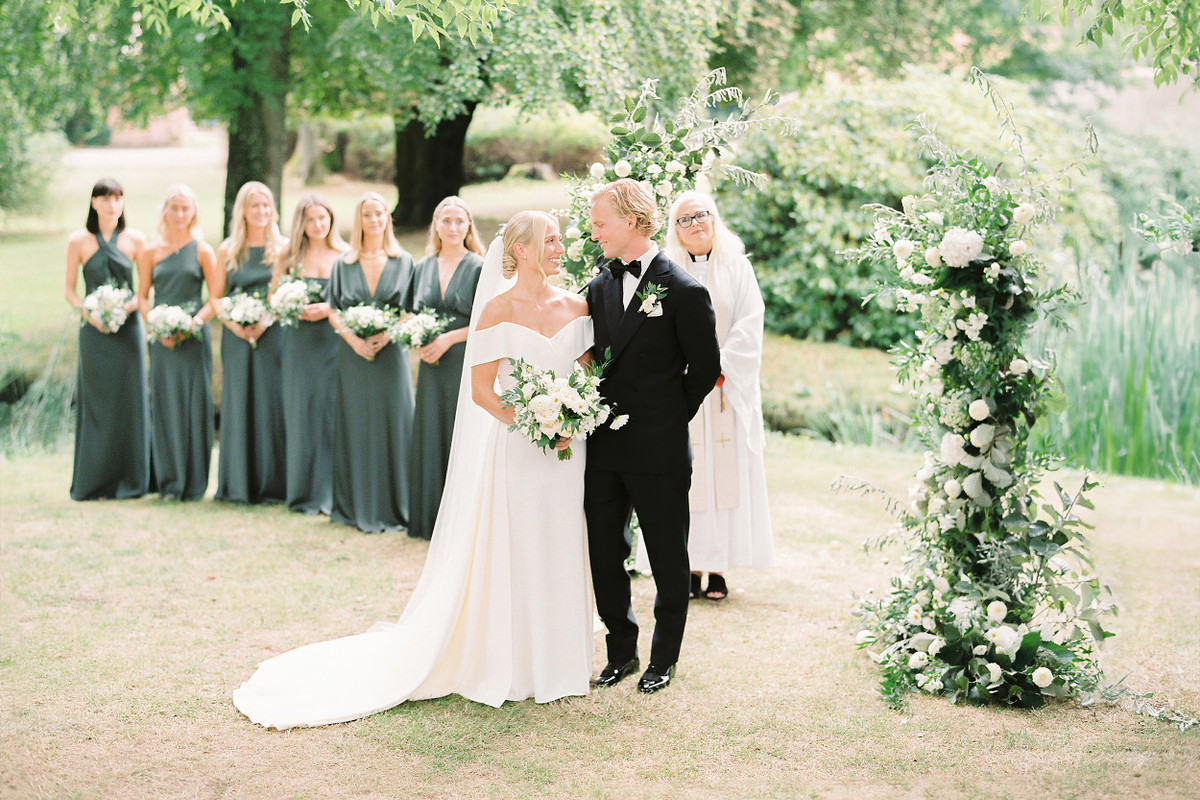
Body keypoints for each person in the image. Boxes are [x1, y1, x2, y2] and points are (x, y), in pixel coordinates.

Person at [232, 211, 594, 728]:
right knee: (516, 545)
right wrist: (533, 422)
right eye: (551, 240)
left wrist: (571, 419)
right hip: (517, 449)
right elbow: (483, 392)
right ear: (521, 249)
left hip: (566, 454)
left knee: (560, 542)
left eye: (560, 240)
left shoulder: (577, 304)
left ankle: (558, 661)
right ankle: (513, 660)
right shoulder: (495, 309)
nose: (560, 248)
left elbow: (586, 377)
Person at [584, 178, 721, 694]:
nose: (594, 233)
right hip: (603, 446)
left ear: (631, 221)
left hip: (660, 447)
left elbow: (704, 369)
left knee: (667, 556)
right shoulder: (597, 286)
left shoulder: (684, 290)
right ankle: (621, 652)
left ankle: (663, 659)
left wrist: (667, 416)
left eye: (600, 223)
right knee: (605, 553)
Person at [633, 191, 775, 599]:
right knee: (687, 479)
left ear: (714, 218)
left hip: (727, 389)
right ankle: (690, 567)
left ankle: (719, 569)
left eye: (702, 215)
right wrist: (690, 371)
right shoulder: (665, 271)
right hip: (685, 389)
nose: (695, 223)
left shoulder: (737, 266)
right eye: (685, 218)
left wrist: (720, 367)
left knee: (726, 478)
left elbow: (751, 321)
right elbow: (655, 327)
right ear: (675, 229)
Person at [326, 192, 416, 533]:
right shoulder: (344, 263)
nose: (374, 219)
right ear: (359, 220)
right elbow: (333, 309)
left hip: (391, 355)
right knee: (357, 424)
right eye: (367, 214)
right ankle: (356, 504)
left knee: (395, 422)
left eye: (380, 213)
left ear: (387, 217)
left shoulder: (404, 261)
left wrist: (388, 334)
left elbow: (411, 309)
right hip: (354, 356)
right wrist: (353, 339)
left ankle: (396, 504)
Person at [64, 178, 151, 501]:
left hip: (128, 330)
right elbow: (69, 290)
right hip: (94, 332)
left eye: (117, 198)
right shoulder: (78, 241)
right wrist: (90, 313)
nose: (112, 205)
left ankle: (133, 479)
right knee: (98, 402)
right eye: (105, 198)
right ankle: (95, 480)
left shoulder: (136, 240)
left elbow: (144, 291)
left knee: (130, 400)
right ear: (94, 203)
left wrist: (123, 309)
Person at [407, 196, 486, 540]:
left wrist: (449, 338)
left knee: (460, 433)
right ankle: (428, 517)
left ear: (468, 226)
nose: (453, 227)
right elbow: (411, 312)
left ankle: (461, 523)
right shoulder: (422, 267)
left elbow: (487, 321)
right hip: (431, 364)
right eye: (446, 221)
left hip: (463, 360)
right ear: (436, 226)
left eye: (459, 221)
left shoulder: (479, 267)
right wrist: (417, 336)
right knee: (431, 432)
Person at [136, 184, 219, 500]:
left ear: (193, 213)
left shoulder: (202, 251)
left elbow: (214, 299)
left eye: (186, 209)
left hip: (193, 340)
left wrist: (191, 324)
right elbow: (142, 298)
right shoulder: (150, 251)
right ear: (165, 211)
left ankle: (195, 482)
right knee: (166, 404)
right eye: (175, 208)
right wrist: (156, 324)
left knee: (194, 405)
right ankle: (168, 481)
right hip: (161, 340)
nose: (180, 214)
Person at [212, 181, 288, 505]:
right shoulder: (228, 250)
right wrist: (235, 324)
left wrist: (263, 321)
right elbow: (216, 298)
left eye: (266, 205)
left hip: (273, 335)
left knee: (270, 403)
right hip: (237, 338)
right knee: (239, 401)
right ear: (242, 211)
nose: (261, 211)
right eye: (254, 205)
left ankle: (273, 484)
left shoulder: (283, 248)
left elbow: (283, 293)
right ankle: (238, 483)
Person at [273, 194, 347, 516]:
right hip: (299, 344)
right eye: (310, 219)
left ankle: (331, 492)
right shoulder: (289, 256)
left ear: (331, 220)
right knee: (301, 411)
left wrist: (328, 308)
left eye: (322, 218)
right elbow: (273, 296)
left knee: (330, 412)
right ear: (301, 223)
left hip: (333, 342)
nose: (317, 225)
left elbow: (351, 298)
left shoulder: (344, 255)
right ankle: (302, 492)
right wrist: (291, 305)